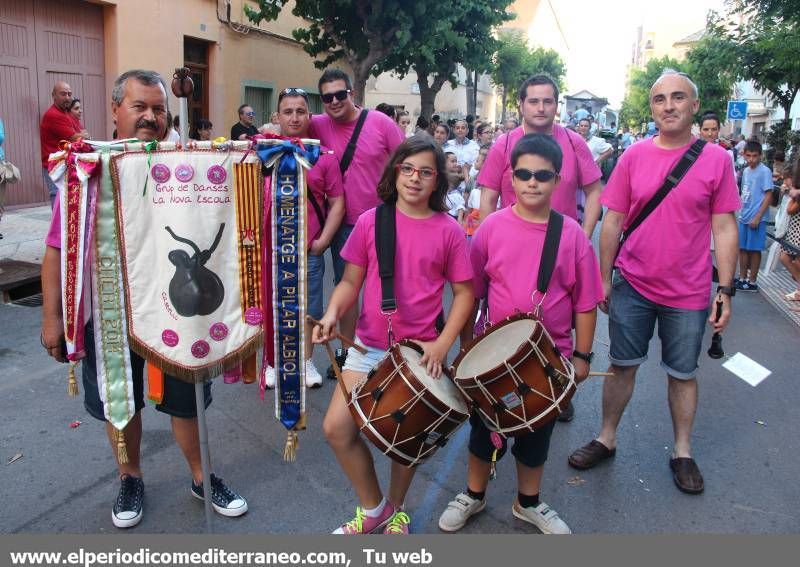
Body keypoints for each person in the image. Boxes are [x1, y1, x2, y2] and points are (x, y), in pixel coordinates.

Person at [40, 69, 248, 529]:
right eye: (140, 107)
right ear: (115, 110)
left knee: (186, 400)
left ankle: (202, 475)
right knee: (122, 399)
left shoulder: (184, 163)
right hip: (110, 311)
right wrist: (53, 318)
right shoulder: (86, 170)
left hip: (174, 312)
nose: (151, 116)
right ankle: (130, 476)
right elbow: (58, 246)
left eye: (158, 108)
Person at [567, 69, 740, 495]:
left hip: (689, 292)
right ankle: (606, 437)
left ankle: (682, 451)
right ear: (652, 109)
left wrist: (726, 289)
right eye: (660, 99)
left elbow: (724, 229)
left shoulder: (717, 160)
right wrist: (603, 278)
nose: (669, 106)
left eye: (678, 97)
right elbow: (613, 222)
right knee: (622, 367)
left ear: (694, 106)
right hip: (634, 284)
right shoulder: (634, 157)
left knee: (682, 373)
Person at [438, 134, 603, 535]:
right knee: (484, 430)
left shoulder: (572, 235)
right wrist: (465, 349)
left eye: (542, 175)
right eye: (524, 174)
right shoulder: (492, 228)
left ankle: (528, 501)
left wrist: (582, 357)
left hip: (549, 357)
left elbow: (585, 302)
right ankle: (473, 494)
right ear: (511, 177)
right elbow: (471, 293)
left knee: (535, 433)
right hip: (491, 356)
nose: (532, 182)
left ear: (558, 180)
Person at [312, 135, 474, 534]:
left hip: (419, 353)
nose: (415, 179)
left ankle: (397, 508)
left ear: (438, 182)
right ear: (395, 172)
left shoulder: (448, 230)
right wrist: (333, 312)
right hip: (368, 346)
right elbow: (351, 281)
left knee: (408, 439)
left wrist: (443, 343)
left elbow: (466, 293)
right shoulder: (371, 220)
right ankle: (374, 509)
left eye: (425, 172)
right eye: (407, 169)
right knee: (336, 428)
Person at [309, 69, 405, 378]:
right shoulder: (317, 124)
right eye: (327, 97)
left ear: (353, 94)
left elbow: (405, 161)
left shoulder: (381, 123)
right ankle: (347, 351)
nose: (335, 101)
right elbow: (286, 130)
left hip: (379, 220)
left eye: (340, 94)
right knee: (346, 287)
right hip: (337, 222)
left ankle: (390, 349)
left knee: (384, 286)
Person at [262, 87, 345, 388]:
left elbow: (337, 203)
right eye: (288, 111)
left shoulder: (323, 157)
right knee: (273, 304)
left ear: (310, 116)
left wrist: (322, 242)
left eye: (300, 111)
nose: (294, 117)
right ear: (277, 116)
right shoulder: (262, 154)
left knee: (309, 307)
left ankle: (306, 360)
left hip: (308, 249)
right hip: (271, 249)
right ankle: (273, 362)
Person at [40, 81, 89, 206]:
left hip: (63, 165)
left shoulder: (66, 113)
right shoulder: (54, 115)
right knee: (59, 202)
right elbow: (76, 137)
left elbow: (82, 134)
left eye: (69, 94)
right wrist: (80, 136)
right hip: (54, 166)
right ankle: (58, 226)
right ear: (54, 95)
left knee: (66, 203)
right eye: (63, 94)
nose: (67, 97)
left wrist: (81, 135)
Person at [735, 140, 773, 292]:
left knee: (754, 250)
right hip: (744, 215)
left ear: (760, 156)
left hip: (757, 218)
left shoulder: (765, 172)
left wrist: (758, 216)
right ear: (744, 155)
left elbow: (768, 195)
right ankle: (742, 278)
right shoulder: (745, 171)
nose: (751, 159)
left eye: (755, 156)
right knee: (742, 248)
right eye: (748, 156)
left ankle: (752, 281)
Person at [779, 162, 800, 301]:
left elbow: (790, 209)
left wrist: (794, 193)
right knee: (786, 256)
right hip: (794, 228)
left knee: (794, 259)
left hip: (797, 228)